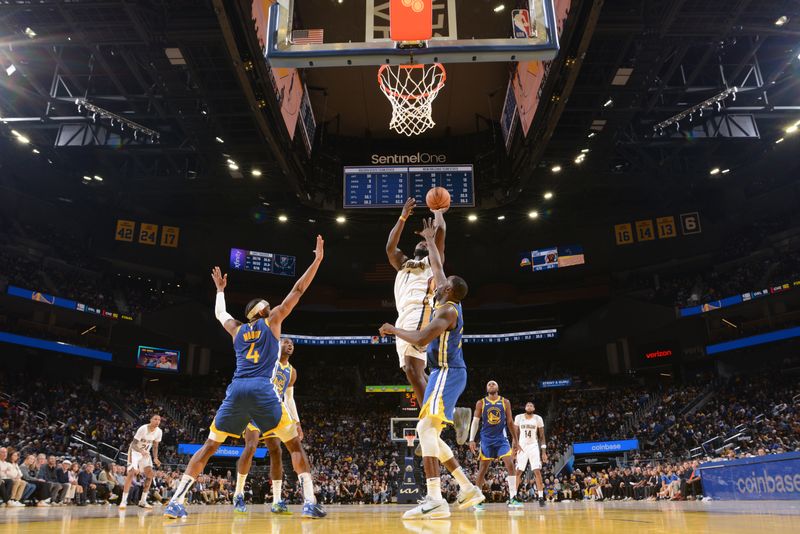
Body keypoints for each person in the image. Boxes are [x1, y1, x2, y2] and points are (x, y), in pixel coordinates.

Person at [164, 235, 327, 520]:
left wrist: (220, 290)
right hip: (263, 390)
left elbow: (219, 313)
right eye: (268, 305)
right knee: (293, 445)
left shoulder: (237, 330)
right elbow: (298, 289)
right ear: (263, 311)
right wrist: (317, 260)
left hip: (237, 390)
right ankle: (310, 502)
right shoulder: (273, 320)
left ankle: (176, 502)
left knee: (210, 445)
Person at [380, 218, 484, 520]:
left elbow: (423, 338)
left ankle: (436, 498)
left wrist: (392, 330)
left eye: (443, 282)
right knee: (428, 432)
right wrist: (436, 222)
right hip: (441, 372)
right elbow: (437, 263)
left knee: (425, 428)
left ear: (447, 290)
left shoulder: (447, 309)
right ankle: (465, 488)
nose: (439, 280)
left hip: (447, 371)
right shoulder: (443, 291)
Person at [385, 200, 471, 444]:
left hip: (420, 314)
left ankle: (431, 424)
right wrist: (402, 217)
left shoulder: (433, 264)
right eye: (421, 241)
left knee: (414, 370)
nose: (424, 242)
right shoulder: (403, 263)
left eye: (427, 242)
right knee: (413, 372)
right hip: (403, 315)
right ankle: (443, 416)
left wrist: (438, 213)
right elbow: (390, 247)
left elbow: (439, 235)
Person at [234, 337, 299, 515]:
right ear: (278, 346)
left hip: (273, 411)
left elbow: (289, 398)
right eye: (285, 342)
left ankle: (277, 500)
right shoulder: (269, 361)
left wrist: (297, 422)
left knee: (276, 451)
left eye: (292, 343)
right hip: (255, 408)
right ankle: (238, 493)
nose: (290, 344)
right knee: (251, 447)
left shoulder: (292, 372)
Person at [468, 381, 521, 509]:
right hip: (486, 440)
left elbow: (510, 422)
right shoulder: (481, 402)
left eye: (494, 384)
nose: (491, 385)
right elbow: (475, 422)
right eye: (489, 384)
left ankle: (513, 497)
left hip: (501, 439)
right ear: (486, 389)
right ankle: (478, 499)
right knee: (482, 470)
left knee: (510, 465)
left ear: (498, 387)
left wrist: (516, 441)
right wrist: (471, 439)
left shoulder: (505, 402)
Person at [120, 414, 163, 509]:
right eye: (155, 419)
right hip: (135, 452)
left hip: (145, 454)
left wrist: (155, 457)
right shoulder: (143, 428)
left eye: (159, 420)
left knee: (150, 475)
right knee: (131, 474)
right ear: (150, 420)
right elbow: (134, 444)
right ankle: (123, 501)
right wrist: (140, 451)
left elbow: (155, 446)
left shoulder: (159, 432)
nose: (157, 421)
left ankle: (143, 501)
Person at [514, 401, 547, 507]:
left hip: (533, 446)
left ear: (534, 408)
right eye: (527, 405)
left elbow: (542, 436)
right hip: (521, 446)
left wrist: (544, 452)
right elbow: (515, 434)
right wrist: (513, 449)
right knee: (518, 471)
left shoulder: (538, 418)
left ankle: (541, 497)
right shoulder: (519, 417)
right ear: (525, 407)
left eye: (531, 405)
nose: (529, 406)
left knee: (537, 471)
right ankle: (513, 496)